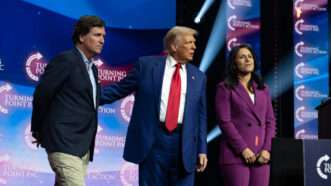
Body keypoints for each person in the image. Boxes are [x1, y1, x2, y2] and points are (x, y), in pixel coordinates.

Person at [100, 26, 208, 186]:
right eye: (189, 43)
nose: (194, 47)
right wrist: (85, 98)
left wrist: (202, 150)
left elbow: (201, 116)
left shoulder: (198, 76)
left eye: (194, 43)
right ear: (174, 46)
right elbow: (118, 90)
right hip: (153, 141)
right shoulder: (146, 66)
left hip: (184, 144)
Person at [31, 15, 106, 186]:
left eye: (103, 36)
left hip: (82, 146)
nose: (102, 40)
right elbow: (42, 94)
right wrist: (37, 129)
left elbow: (90, 103)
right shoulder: (65, 60)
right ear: (81, 37)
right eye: (97, 35)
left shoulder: (93, 69)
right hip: (63, 142)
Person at [215, 44, 276, 186]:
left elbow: (270, 121)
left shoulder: (263, 89)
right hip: (235, 155)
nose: (248, 60)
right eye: (242, 57)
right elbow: (225, 122)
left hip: (261, 156)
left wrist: (267, 150)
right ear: (234, 63)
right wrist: (243, 149)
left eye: (250, 57)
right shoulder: (224, 88)